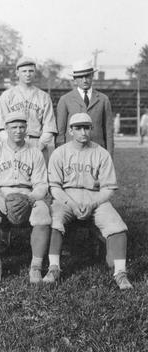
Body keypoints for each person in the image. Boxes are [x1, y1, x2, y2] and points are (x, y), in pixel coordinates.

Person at [44, 113, 132, 290]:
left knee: (118, 226)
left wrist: (93, 203)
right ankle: (54, 267)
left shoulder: (101, 153)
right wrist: (72, 204)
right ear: (70, 130)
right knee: (54, 220)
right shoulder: (60, 153)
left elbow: (108, 188)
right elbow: (54, 187)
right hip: (67, 198)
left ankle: (121, 273)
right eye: (78, 128)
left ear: (91, 129)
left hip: (95, 198)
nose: (83, 132)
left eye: (86, 128)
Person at [0, 112, 51, 284]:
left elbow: (42, 184)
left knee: (42, 214)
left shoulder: (35, 151)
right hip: (1, 192)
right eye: (14, 127)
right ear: (6, 129)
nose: (18, 131)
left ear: (26, 129)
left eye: (21, 127)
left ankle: (36, 265)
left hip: (27, 193)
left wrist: (31, 199)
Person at [0, 57, 57, 163]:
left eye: (31, 71)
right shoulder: (7, 96)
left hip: (37, 143)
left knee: (39, 178)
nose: (27, 74)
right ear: (17, 73)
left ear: (35, 73)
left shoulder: (44, 96)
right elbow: (1, 126)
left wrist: (39, 146)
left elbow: (49, 127)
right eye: (24, 71)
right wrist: (11, 145)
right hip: (13, 144)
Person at [56, 60, 114, 156]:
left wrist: (109, 156)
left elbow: (108, 132)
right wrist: (61, 155)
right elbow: (60, 132)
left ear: (92, 76)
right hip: (73, 153)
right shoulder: (65, 99)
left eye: (87, 76)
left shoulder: (103, 99)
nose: (84, 80)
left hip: (97, 152)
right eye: (80, 77)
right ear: (74, 79)